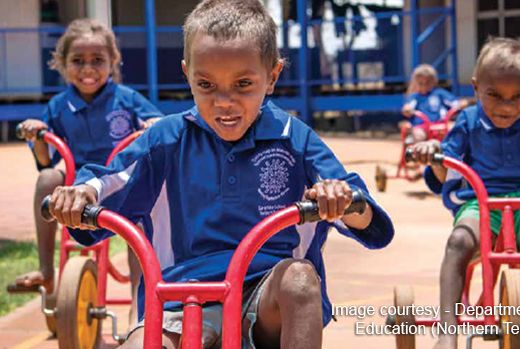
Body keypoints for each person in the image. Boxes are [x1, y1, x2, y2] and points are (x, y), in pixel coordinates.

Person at [46, 1, 395, 348]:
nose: (224, 102)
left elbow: (368, 221)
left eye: (243, 84)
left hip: (264, 298)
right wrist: (80, 193)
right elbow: (110, 181)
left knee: (301, 279)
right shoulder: (166, 139)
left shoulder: (294, 138)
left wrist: (343, 201)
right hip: (181, 300)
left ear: (272, 76)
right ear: (187, 75)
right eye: (207, 85)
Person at [408, 37, 520, 349]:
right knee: (458, 242)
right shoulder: (468, 121)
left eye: (519, 96)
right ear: (475, 87)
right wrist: (432, 154)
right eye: (494, 95)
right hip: (480, 206)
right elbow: (447, 169)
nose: (507, 105)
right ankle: (447, 331)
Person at [11, 18, 163, 324]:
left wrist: (151, 124)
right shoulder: (58, 105)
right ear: (62, 64)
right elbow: (45, 160)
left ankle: (138, 302)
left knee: (137, 219)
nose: (88, 69)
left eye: (98, 60)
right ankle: (46, 269)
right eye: (78, 61)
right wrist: (38, 134)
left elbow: (159, 125)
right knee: (47, 177)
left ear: (113, 61)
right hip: (76, 189)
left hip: (117, 182)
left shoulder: (126, 99)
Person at [401, 64, 468, 145]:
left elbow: (455, 103)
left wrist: (462, 103)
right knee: (418, 136)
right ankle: (421, 155)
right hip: (422, 126)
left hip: (441, 124)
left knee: (457, 129)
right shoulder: (414, 97)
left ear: (434, 81)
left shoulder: (439, 93)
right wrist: (407, 110)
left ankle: (454, 154)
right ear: (415, 83)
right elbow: (407, 108)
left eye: (428, 83)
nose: (424, 86)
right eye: (421, 83)